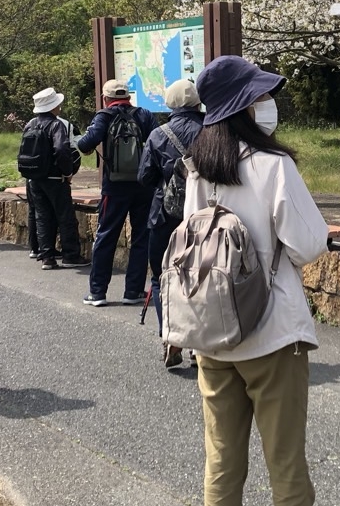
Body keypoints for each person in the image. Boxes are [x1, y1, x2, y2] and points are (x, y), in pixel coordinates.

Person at [185, 55, 328, 506]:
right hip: (273, 335)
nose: (269, 104)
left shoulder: (197, 166)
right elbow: (308, 244)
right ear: (246, 106)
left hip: (214, 335)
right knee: (287, 470)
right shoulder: (272, 166)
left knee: (222, 470)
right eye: (261, 96)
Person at [137, 78, 205, 367]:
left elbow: (144, 178)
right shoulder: (210, 130)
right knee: (203, 277)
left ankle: (170, 336)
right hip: (203, 215)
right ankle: (199, 345)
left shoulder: (157, 134)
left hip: (163, 215)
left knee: (162, 277)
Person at [75, 79, 153, 307]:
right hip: (142, 186)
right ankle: (134, 291)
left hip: (114, 187)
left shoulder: (104, 116)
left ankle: (97, 293)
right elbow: (157, 141)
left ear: (105, 98)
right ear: (128, 97)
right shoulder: (144, 115)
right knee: (141, 238)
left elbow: (85, 143)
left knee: (106, 236)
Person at [18, 87, 87, 269]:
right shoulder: (56, 125)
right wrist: (67, 172)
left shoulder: (30, 124)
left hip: (34, 178)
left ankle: (47, 256)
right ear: (53, 107)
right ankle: (71, 255)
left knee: (42, 216)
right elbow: (62, 150)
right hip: (55, 178)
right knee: (65, 216)